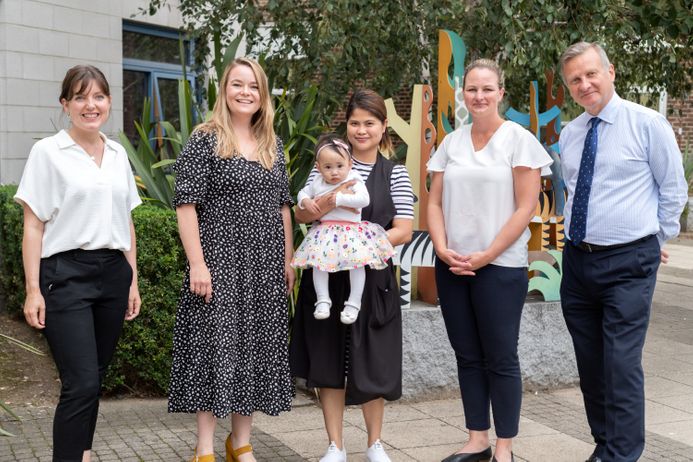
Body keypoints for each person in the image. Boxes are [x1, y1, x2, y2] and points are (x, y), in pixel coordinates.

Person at [558, 42, 688, 462]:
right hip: (578, 261)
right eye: (575, 79)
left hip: (628, 263)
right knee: (591, 366)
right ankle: (605, 446)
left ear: (610, 72)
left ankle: (622, 455)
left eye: (591, 74)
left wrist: (655, 239)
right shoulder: (571, 133)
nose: (585, 84)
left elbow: (673, 191)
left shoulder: (647, 123)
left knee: (620, 365)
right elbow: (577, 192)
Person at [167, 57, 295, 462]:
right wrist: (197, 264)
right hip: (219, 262)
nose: (245, 92)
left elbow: (283, 208)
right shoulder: (205, 139)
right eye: (237, 84)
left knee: (255, 350)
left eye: (253, 86)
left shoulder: (272, 145)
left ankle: (240, 443)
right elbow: (185, 204)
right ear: (224, 90)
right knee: (214, 349)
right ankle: (204, 446)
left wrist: (287, 261)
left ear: (263, 94)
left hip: (265, 267)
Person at [427, 59, 552, 462]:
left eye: (486, 89)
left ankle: (504, 447)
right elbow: (433, 201)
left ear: (501, 92)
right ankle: (477, 439)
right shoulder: (451, 143)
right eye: (471, 89)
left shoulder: (519, 140)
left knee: (501, 356)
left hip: (499, 267)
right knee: (467, 356)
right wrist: (442, 247)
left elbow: (524, 208)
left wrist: (487, 256)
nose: (478, 96)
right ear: (464, 94)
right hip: (452, 264)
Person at [15, 65, 141, 462]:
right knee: (81, 382)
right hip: (65, 277)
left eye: (99, 96)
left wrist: (132, 281)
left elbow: (128, 222)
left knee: (94, 379)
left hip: (113, 275)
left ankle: (82, 454)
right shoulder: (48, 152)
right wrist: (33, 290)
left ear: (108, 102)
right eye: (81, 97)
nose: (92, 105)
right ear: (65, 104)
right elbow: (33, 225)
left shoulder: (118, 153)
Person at [290, 89, 414, 462]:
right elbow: (302, 214)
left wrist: (359, 247)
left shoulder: (395, 172)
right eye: (355, 123)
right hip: (326, 274)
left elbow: (403, 229)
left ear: (383, 127)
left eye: (369, 123)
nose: (362, 130)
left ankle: (374, 443)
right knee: (327, 361)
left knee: (373, 361)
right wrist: (328, 200)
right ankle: (335, 445)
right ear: (346, 125)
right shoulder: (326, 164)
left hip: (371, 278)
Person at [292, 134, 395, 324]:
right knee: (318, 265)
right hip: (325, 231)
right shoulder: (317, 181)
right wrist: (306, 200)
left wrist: (339, 199)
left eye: (340, 166)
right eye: (328, 167)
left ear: (349, 165)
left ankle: (354, 303)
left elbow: (364, 200)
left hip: (351, 231)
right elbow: (302, 193)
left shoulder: (354, 179)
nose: (334, 172)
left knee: (357, 266)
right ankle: (323, 299)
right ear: (318, 167)